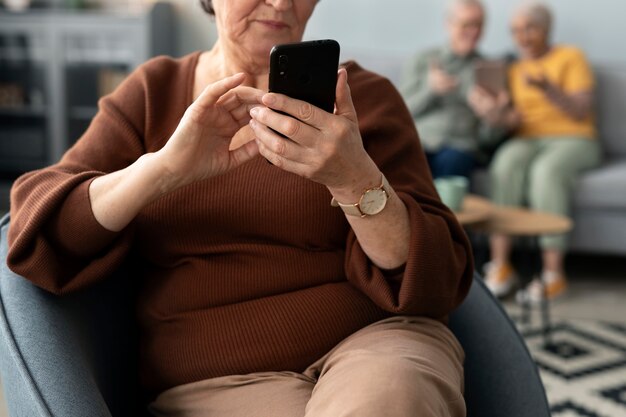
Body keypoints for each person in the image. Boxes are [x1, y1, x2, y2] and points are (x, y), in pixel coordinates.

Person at [6, 0, 473, 416]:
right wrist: (164, 170)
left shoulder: (365, 100)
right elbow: (38, 226)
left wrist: (354, 178)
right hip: (216, 381)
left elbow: (438, 280)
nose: (281, 3)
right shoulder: (154, 93)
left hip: (376, 347)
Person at [472, 2, 601, 302]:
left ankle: (554, 274)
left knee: (547, 173)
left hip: (574, 138)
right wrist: (495, 113)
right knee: (504, 164)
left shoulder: (571, 57)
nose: (523, 37)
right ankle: (501, 266)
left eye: (530, 28)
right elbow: (513, 121)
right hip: (527, 139)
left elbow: (582, 111)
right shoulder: (514, 68)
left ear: (546, 30)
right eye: (516, 30)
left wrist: (547, 88)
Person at [400, 0, 501, 180]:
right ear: (449, 24)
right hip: (421, 141)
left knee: (453, 161)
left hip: (460, 146)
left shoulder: (487, 70)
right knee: (403, 156)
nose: (473, 32)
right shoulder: (423, 59)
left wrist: (492, 117)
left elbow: (488, 140)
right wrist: (430, 90)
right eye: (466, 25)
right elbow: (401, 111)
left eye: (478, 25)